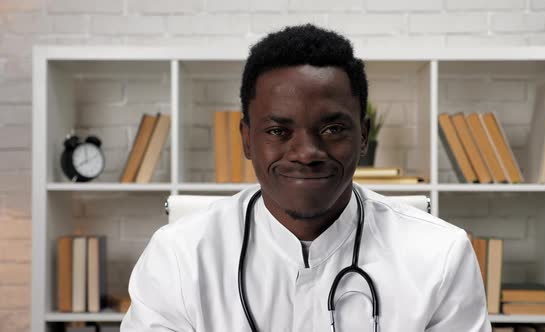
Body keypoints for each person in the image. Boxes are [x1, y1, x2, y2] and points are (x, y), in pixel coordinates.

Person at [121, 24, 491, 331]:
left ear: (364, 137)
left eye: (332, 129)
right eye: (278, 131)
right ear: (247, 139)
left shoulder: (441, 255)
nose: (307, 152)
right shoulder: (179, 256)